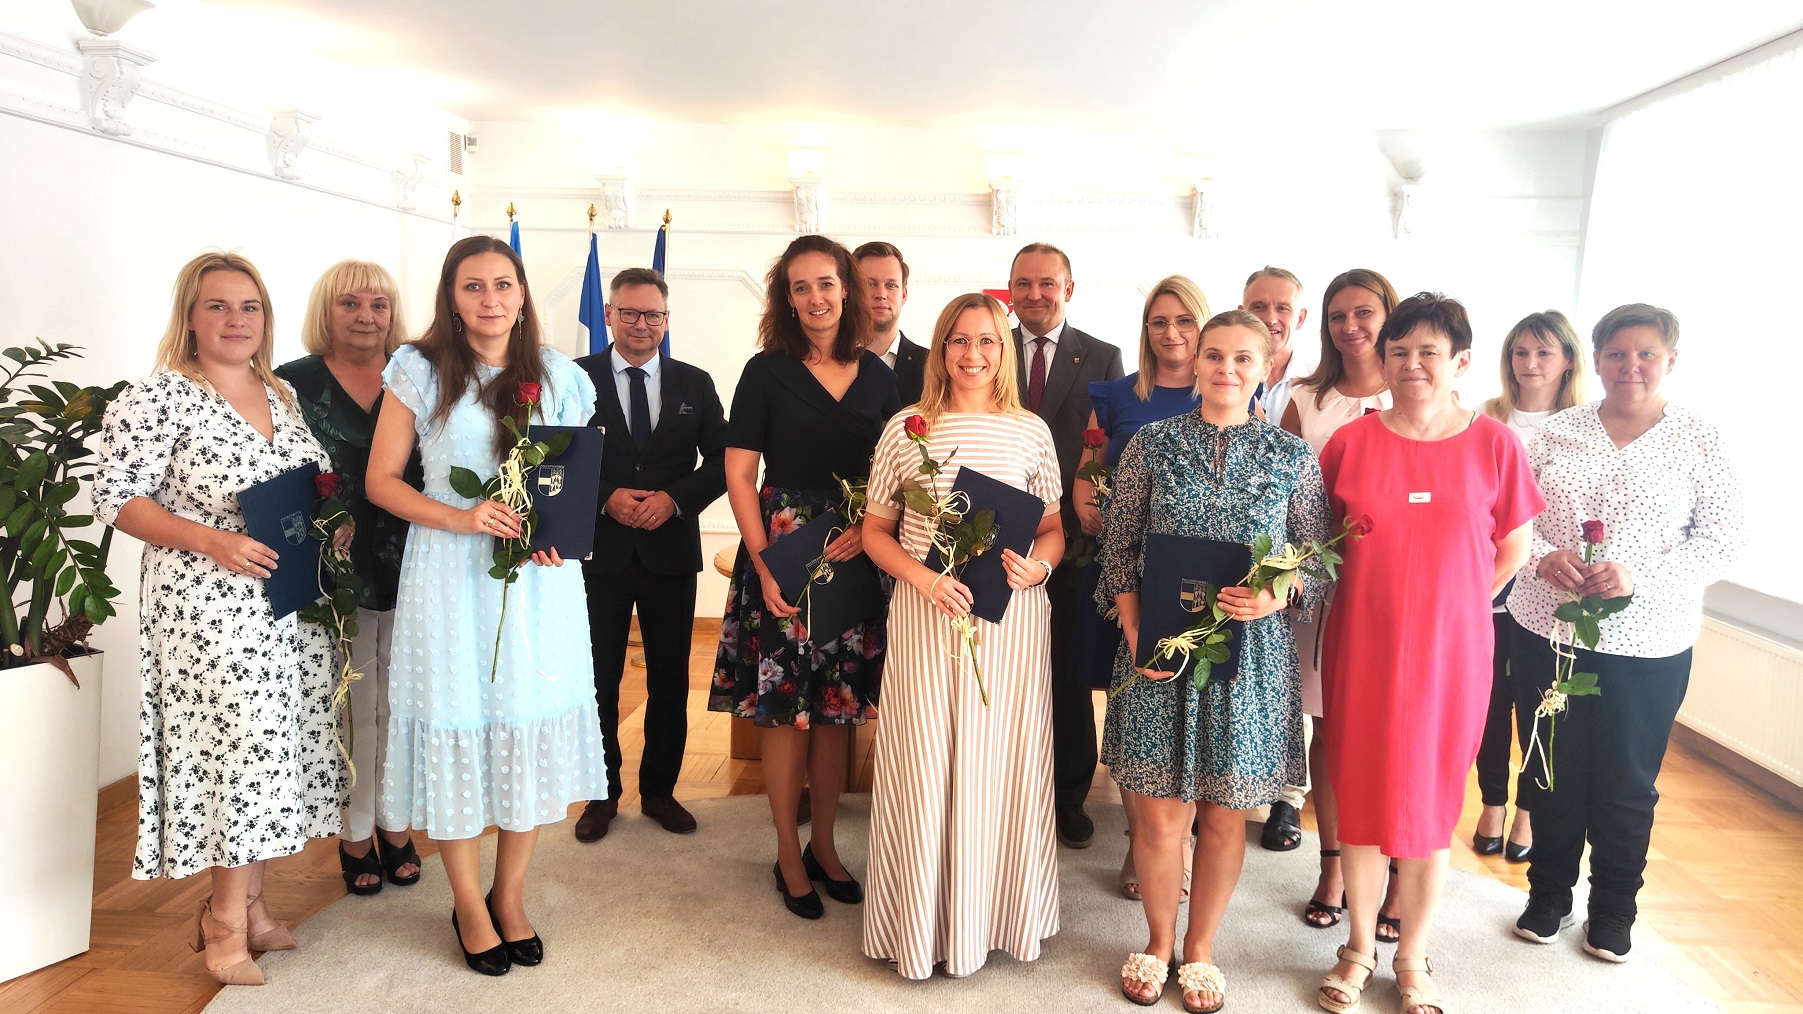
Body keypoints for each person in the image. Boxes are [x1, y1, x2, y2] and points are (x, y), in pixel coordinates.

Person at [94, 251, 346, 986]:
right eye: (218, 306)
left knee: (273, 754)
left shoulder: (282, 395)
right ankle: (223, 925)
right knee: (241, 756)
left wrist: (331, 527)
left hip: (287, 606)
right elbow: (116, 498)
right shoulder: (158, 398)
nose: (237, 320)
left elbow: (301, 490)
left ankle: (255, 907)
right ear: (190, 316)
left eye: (250, 307)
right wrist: (211, 540)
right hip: (209, 609)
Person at [366, 235, 605, 976]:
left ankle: (510, 895)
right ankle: (468, 904)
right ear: (451, 297)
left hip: (537, 581)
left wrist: (557, 536)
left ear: (523, 293)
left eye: (503, 284)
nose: (490, 299)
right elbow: (381, 481)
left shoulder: (561, 376)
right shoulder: (418, 369)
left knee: (525, 725)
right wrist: (462, 517)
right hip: (449, 571)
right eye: (473, 286)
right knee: (458, 723)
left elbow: (570, 481)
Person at [1315, 293, 1543, 1014]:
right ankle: (1357, 947)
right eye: (1399, 351)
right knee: (1359, 793)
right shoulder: (1349, 442)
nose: (1411, 364)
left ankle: (1411, 956)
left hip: (1453, 651)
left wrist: (1456, 601)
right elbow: (1318, 542)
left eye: (1428, 352)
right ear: (1382, 361)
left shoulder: (1495, 445)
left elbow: (1512, 547)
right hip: (1362, 642)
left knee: (1429, 800)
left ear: (1460, 362)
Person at [1102, 310, 1331, 1013]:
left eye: (1242, 358)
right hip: (1158, 653)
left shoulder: (1291, 456)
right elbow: (1120, 547)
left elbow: (1315, 560)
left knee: (1225, 816)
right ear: (1195, 363)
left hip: (1249, 661)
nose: (1226, 369)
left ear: (1265, 367)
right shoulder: (1149, 444)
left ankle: (1200, 948)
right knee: (1157, 818)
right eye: (1213, 355)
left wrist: (1278, 593)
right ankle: (1158, 941)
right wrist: (1137, 634)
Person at [1506, 303, 1742, 962]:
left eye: (1645, 354)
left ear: (1670, 360)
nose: (1630, 366)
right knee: (1549, 766)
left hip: (1647, 644)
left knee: (1625, 780)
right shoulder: (1556, 432)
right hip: (1546, 630)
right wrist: (1540, 557)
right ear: (1597, 359)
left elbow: (1722, 540)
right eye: (1616, 353)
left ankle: (1613, 910)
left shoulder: (1699, 439)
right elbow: (1508, 520)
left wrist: (1639, 577)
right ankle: (1548, 895)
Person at [860, 292, 1066, 979]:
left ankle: (998, 916)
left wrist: (1039, 568)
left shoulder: (1031, 431)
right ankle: (919, 923)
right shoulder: (907, 429)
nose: (972, 354)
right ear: (940, 348)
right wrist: (924, 580)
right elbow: (875, 531)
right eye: (958, 340)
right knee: (924, 760)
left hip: (1008, 625)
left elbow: (1052, 529)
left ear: (1003, 350)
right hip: (927, 617)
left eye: (986, 341)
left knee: (998, 761)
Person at [708, 234, 900, 919]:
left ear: (847, 288)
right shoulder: (765, 371)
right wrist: (764, 564)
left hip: (855, 549)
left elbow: (899, 473)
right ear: (786, 299)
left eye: (826, 283)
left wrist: (870, 527)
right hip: (783, 548)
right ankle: (787, 852)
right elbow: (738, 473)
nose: (815, 297)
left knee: (836, 708)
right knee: (785, 708)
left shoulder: (881, 376)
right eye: (800, 287)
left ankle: (824, 844)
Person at [275, 259, 425, 897]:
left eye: (379, 305)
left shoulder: (415, 375)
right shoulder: (290, 383)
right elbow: (276, 475)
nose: (367, 316)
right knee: (352, 704)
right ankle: (355, 831)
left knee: (404, 699)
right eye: (350, 304)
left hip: (417, 555)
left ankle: (397, 820)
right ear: (326, 311)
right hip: (332, 565)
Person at [570, 267, 727, 841]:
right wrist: (604, 497)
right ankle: (600, 794)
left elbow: (724, 461)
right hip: (598, 554)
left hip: (669, 552)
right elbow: (555, 457)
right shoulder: (575, 378)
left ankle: (660, 791)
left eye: (653, 315)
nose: (642, 324)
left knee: (669, 679)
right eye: (631, 313)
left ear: (666, 319)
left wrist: (675, 499)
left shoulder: (695, 383)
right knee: (598, 679)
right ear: (609, 315)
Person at [1067, 275, 1207, 900]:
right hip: (1124, 568)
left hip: (1197, 579)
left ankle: (1180, 842)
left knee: (1192, 707)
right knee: (1134, 708)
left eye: (1184, 320)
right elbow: (1088, 467)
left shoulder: (1229, 387)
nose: (1171, 333)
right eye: (1159, 321)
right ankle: (1140, 837)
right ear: (1145, 331)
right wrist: (1084, 501)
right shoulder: (1119, 394)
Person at [1278, 269, 1402, 934]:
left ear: (1389, 316)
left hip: (1397, 587)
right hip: (1322, 584)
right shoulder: (1307, 397)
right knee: (1327, 727)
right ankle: (1331, 866)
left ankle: (1397, 873)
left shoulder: (1416, 391)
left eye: (1364, 313)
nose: (1350, 327)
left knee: (1395, 731)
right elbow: (1284, 497)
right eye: (1337, 315)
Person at [1010, 241, 1125, 850]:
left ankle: (1069, 797)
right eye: (1023, 284)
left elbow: (1107, 449)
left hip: (1072, 542)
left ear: (1068, 289)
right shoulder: (987, 349)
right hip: (995, 535)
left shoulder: (1102, 357)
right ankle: (1008, 791)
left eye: (1047, 283)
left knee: (1066, 672)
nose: (1035, 294)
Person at [1470, 311, 1586, 864]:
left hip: (1550, 595)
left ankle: (1528, 810)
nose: (1530, 363)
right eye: (1520, 352)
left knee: (1540, 705)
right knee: (1490, 702)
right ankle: (1492, 802)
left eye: (1544, 352)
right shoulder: (1483, 418)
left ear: (1568, 361)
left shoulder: (1583, 426)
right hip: (1489, 585)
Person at [854, 240, 926, 405]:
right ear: (851, 292)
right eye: (870, 284)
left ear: (904, 295)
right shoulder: (828, 361)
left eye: (891, 285)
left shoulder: (932, 365)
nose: (881, 294)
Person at [1239, 266, 1313, 426]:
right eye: (1259, 307)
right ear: (1241, 314)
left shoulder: (1319, 383)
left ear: (1300, 318)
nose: (1270, 319)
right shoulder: (1223, 377)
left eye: (1282, 308)